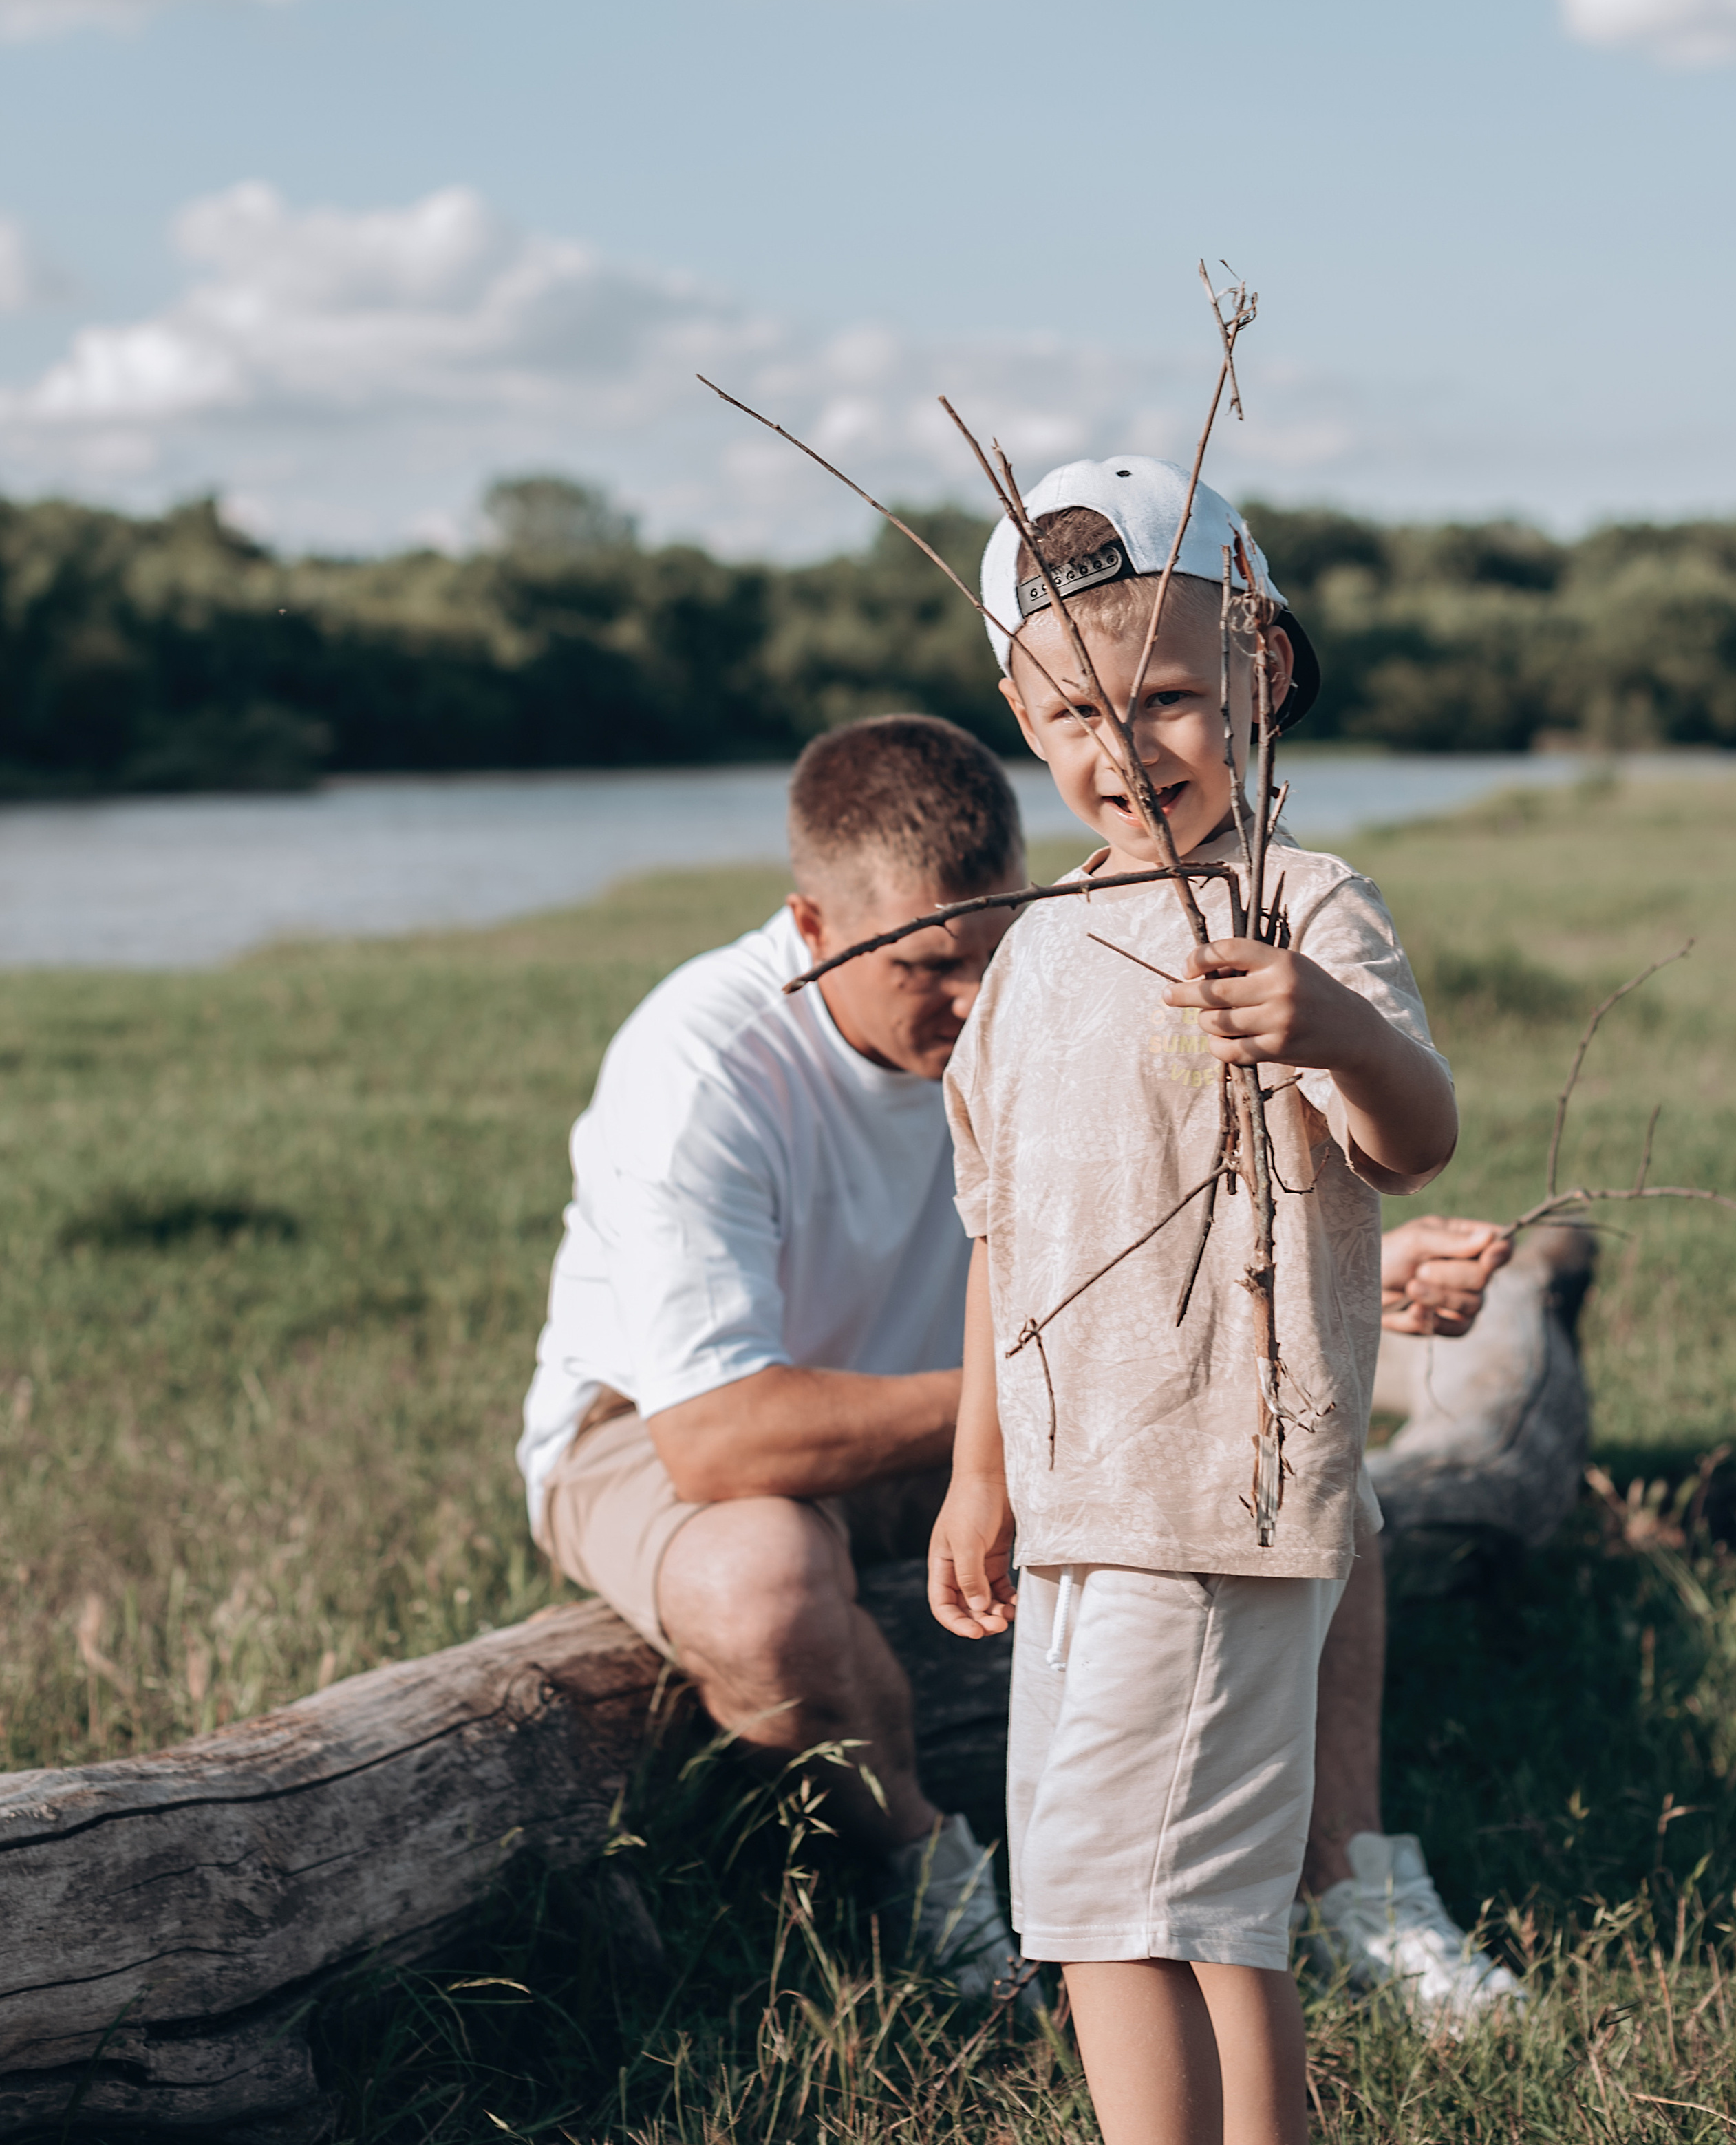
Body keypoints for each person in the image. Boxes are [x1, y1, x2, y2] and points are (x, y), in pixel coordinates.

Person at [517, 710, 1520, 2018]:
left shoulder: (1060, 976)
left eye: (995, 945)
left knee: (1293, 1472)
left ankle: (1350, 1885)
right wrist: (1039, 1400)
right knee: (760, 1586)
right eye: (930, 963)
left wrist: (1346, 1276)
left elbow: (1161, 1220)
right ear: (812, 926)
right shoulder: (702, 1062)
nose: (975, 994)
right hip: (673, 1435)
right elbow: (715, 1436)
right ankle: (928, 1872)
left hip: (974, 1408)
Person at [928, 454, 1485, 2145]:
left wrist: (1337, 1030)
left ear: (1262, 668)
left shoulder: (1297, 909)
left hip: (1216, 1492)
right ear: (1020, 716)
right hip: (1079, 1504)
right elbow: (1003, 1239)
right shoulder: (1031, 949)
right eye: (1074, 713)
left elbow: (1411, 1140)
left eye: (1166, 696)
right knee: (1195, 1909)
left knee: (1110, 1910)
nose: (1125, 747)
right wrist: (979, 1473)